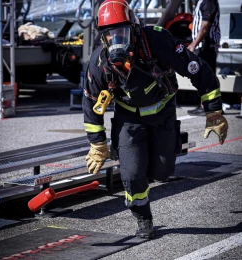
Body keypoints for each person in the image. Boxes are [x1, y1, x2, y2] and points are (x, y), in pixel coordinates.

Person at [82, 0, 228, 239]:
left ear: (135, 29)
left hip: (163, 112)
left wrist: (213, 112)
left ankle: (151, 162)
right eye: (111, 35)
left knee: (162, 171)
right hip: (128, 119)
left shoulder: (158, 40)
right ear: (103, 38)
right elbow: (90, 102)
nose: (117, 40)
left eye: (122, 33)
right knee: (131, 174)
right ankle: (143, 218)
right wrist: (97, 143)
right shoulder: (99, 62)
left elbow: (197, 69)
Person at [187, 0, 221, 116]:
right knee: (205, 76)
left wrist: (193, 44)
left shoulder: (208, 2)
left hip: (206, 46)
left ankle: (209, 107)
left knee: (206, 77)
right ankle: (209, 106)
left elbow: (205, 26)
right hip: (204, 46)